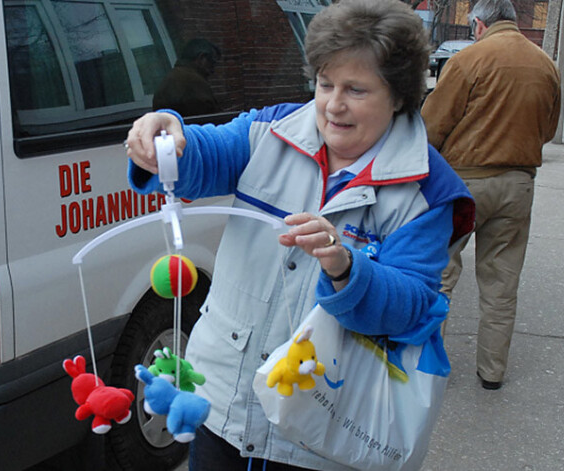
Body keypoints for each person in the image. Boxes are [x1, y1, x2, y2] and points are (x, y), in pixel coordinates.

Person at [126, 0, 474, 469]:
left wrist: (347, 269)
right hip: (223, 406)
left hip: (321, 431)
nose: (333, 104)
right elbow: (202, 155)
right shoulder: (271, 131)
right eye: (325, 83)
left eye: (356, 89)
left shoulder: (427, 191)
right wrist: (164, 139)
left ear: (398, 96)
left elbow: (411, 308)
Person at [421, 0, 560, 391]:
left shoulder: (468, 60)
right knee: (501, 281)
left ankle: (432, 368)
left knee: (442, 272)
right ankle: (492, 372)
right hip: (518, 183)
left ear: (479, 24)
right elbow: (547, 129)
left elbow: (432, 126)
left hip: (462, 184)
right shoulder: (545, 64)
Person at [152, 38, 221, 116]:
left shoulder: (173, 76)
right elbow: (210, 118)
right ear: (202, 58)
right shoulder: (193, 81)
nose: (213, 70)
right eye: (212, 63)